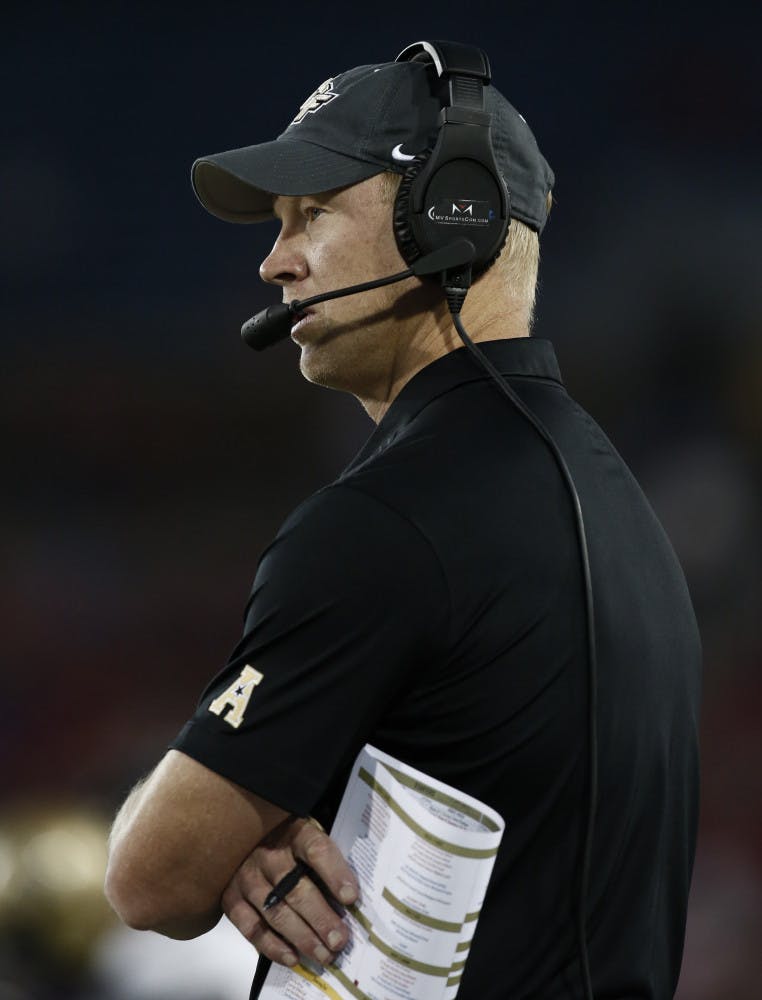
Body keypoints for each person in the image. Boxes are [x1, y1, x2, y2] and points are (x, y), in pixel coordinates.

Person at [105, 41, 702, 1000]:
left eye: (313, 215)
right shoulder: (621, 511)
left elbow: (150, 880)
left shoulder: (386, 522)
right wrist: (266, 826)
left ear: (449, 218)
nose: (274, 262)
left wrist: (239, 834)